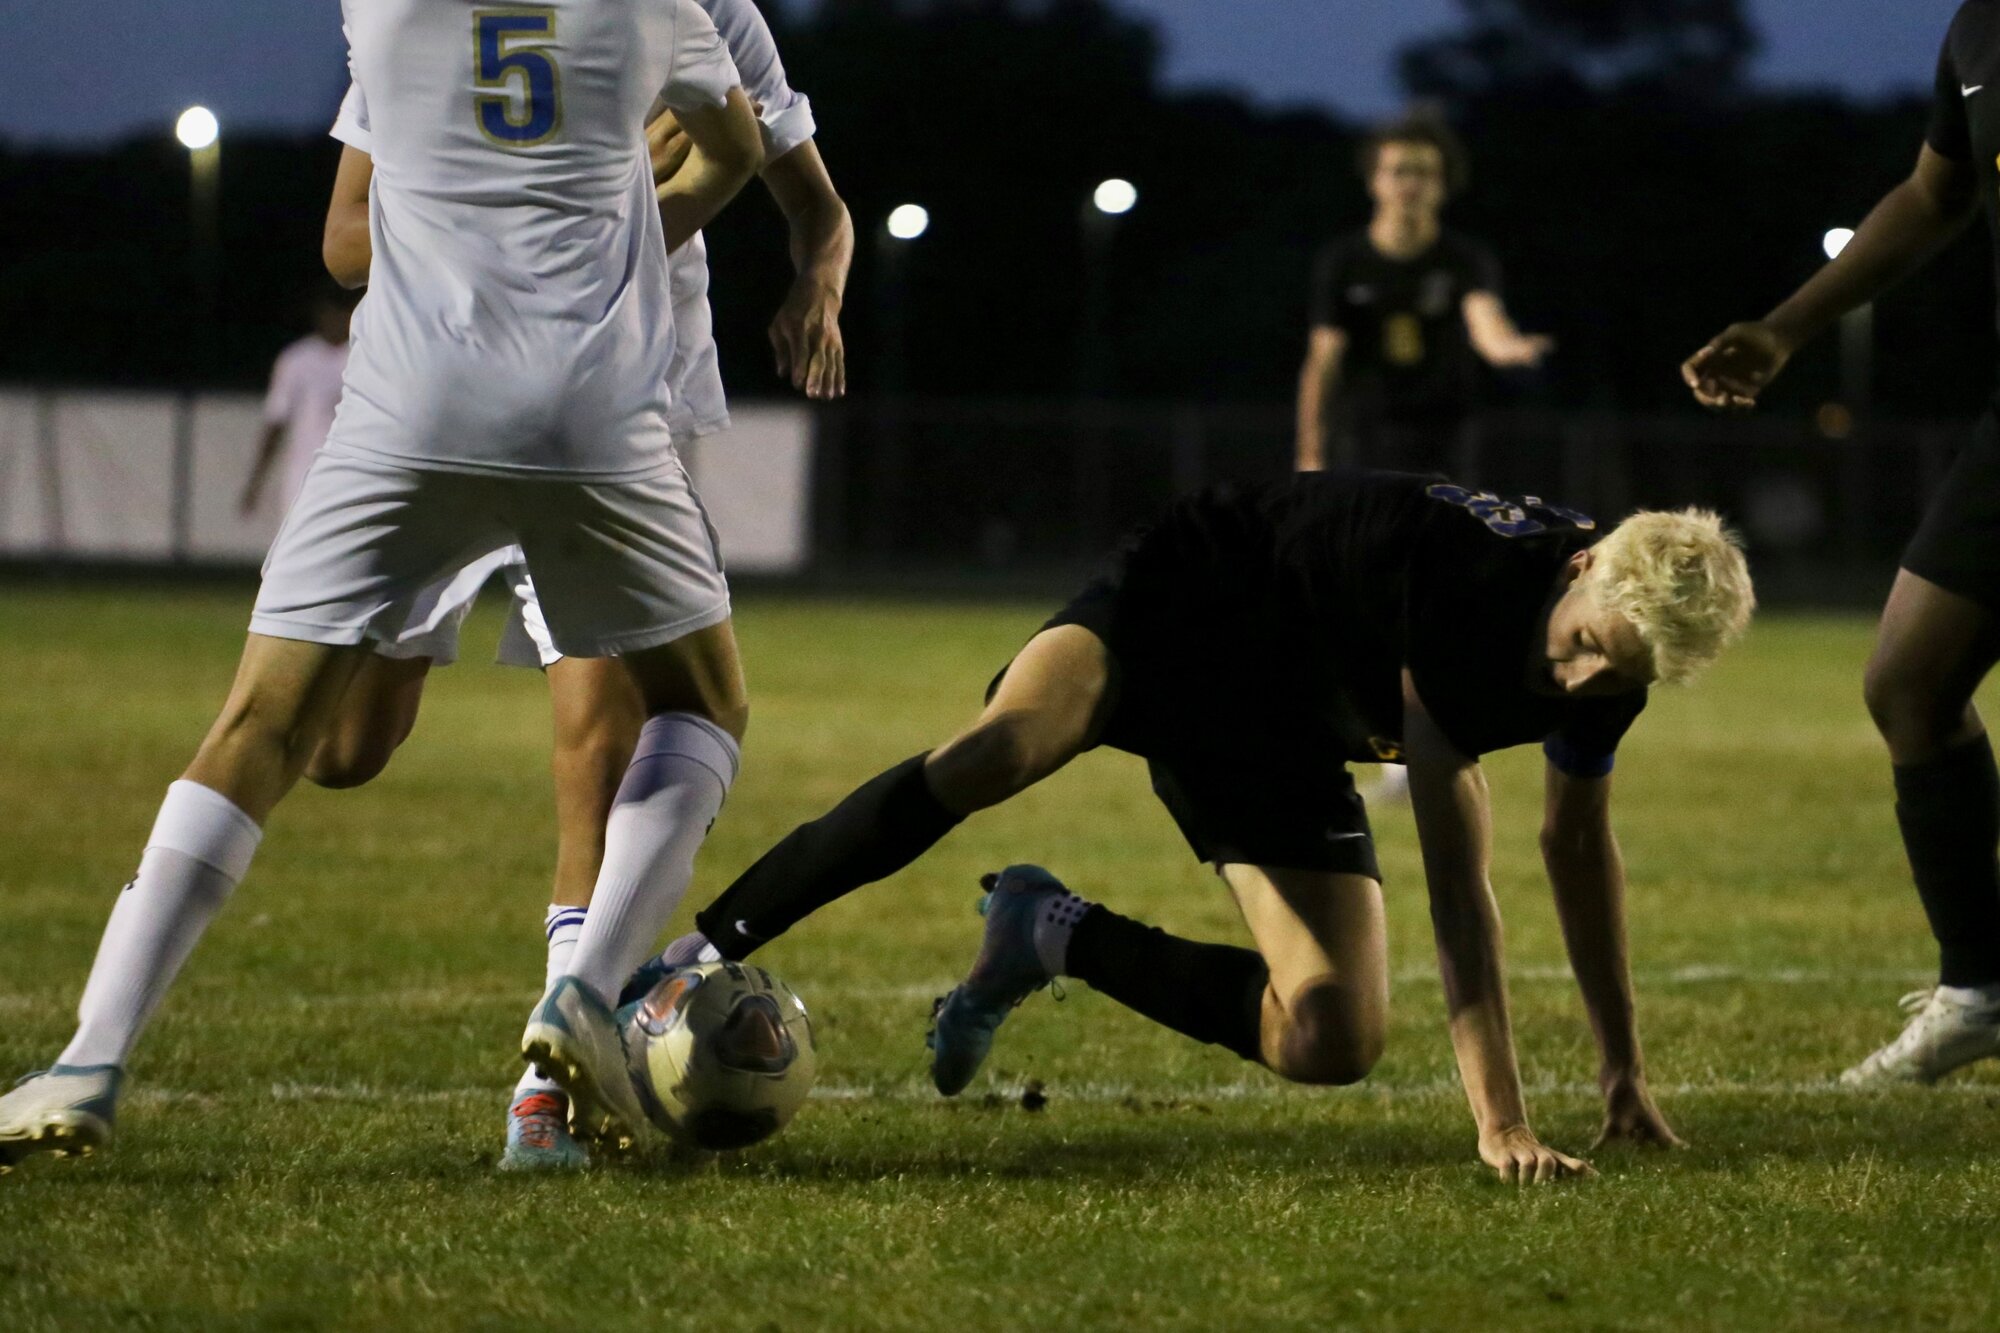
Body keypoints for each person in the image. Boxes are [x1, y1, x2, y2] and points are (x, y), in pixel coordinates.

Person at [0, 0, 767, 1173]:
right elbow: (737, 146)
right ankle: (585, 999)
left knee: (262, 722)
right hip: (590, 409)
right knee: (702, 704)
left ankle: (92, 1057)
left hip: (412, 403)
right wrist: (625, 230)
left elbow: (359, 230)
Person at [646, 471, 1755, 1183]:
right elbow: (1461, 895)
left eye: (1612, 674)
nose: (1576, 680)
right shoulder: (1467, 591)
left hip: (1282, 721)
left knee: (1332, 1036)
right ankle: (693, 953)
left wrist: (1620, 1075)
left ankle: (1049, 931)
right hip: (1190, 597)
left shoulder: (1619, 665)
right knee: (1003, 747)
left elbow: (1572, 849)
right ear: (1577, 565)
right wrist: (1500, 1122)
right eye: (1580, 644)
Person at [301, 0, 852, 1171]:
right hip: (433, 400)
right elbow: (346, 242)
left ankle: (545, 1094)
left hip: (609, 418)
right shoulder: (440, 16)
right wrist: (524, 211)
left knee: (599, 755)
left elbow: (818, 208)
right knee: (341, 745)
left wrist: (817, 283)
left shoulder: (709, 18)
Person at [1682, 0, 2000, 1086]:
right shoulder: (1976, 27)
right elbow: (1932, 192)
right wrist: (1786, 325)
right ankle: (1977, 989)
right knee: (1908, 680)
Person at [1294, 114, 1551, 479]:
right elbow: (1322, 360)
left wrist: (1508, 348)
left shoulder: (1465, 258)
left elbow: (1486, 321)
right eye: (1399, 171)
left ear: (1443, 184)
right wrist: (1309, 454)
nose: (1411, 183)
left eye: (1424, 173)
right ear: (1374, 180)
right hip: (1364, 434)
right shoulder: (1343, 261)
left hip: (1445, 435)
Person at [238, 285, 359, 519]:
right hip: (304, 473)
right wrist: (255, 482)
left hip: (350, 472)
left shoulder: (361, 355)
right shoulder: (297, 360)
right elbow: (276, 422)